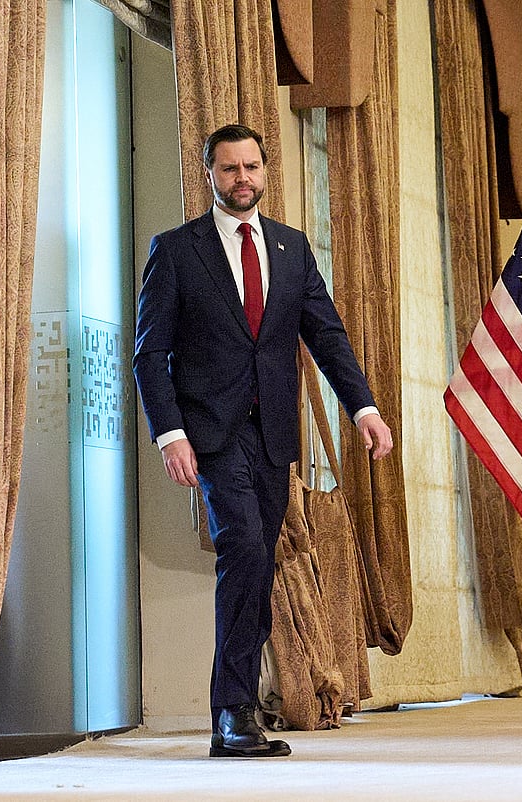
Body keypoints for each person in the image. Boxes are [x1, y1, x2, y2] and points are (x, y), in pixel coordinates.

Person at [133, 123, 393, 758]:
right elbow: (150, 353)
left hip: (274, 434)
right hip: (211, 434)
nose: (242, 178)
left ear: (264, 171)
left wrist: (362, 407)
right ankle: (232, 712)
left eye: (251, 167)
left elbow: (326, 335)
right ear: (210, 175)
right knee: (245, 548)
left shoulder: (291, 248)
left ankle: (238, 710)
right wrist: (170, 434)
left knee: (259, 560)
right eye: (229, 169)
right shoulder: (176, 251)